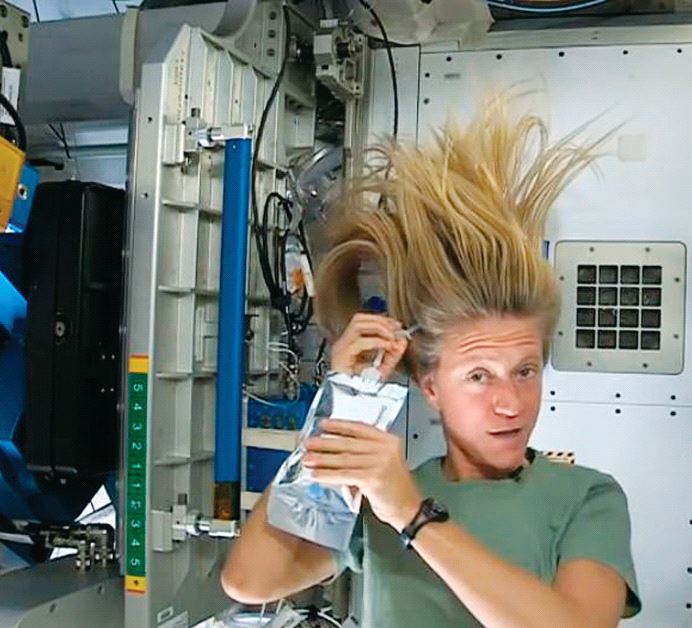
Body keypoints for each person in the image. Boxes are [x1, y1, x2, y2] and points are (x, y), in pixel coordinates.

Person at [221, 96, 641, 626]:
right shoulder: (377, 493)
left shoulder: (585, 496)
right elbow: (249, 579)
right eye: (479, 376)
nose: (510, 403)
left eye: (525, 371)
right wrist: (336, 411)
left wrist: (413, 517)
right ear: (431, 386)